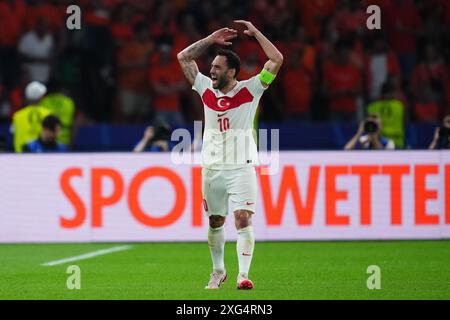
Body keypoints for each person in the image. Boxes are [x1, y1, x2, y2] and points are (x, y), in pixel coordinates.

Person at [177, 20, 283, 290]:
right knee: (215, 221)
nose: (211, 70)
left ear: (232, 72)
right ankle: (218, 270)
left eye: (217, 67)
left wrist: (256, 33)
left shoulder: (252, 89)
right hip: (212, 168)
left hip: (242, 167)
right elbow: (184, 57)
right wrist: (211, 39)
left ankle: (243, 275)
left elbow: (276, 59)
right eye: (211, 66)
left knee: (243, 217)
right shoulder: (204, 89)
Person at [11, 81, 52, 152]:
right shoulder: (48, 114)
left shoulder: (17, 115)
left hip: (19, 157)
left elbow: (12, 132)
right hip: (42, 156)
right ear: (41, 97)